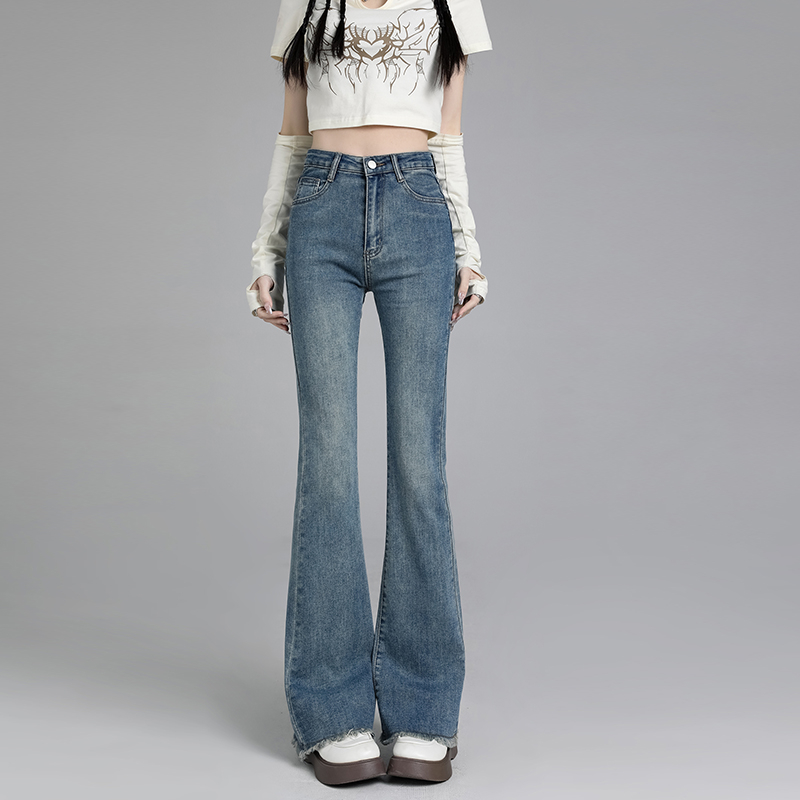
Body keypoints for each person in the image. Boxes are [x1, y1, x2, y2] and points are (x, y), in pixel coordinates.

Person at [245, 0, 492, 786]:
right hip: (321, 210)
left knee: (419, 463)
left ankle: (425, 709)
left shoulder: (450, 4)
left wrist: (468, 247)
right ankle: (333, 710)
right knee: (327, 464)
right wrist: (265, 249)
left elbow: (449, 136)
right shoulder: (308, 5)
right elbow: (291, 134)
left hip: (417, 207)